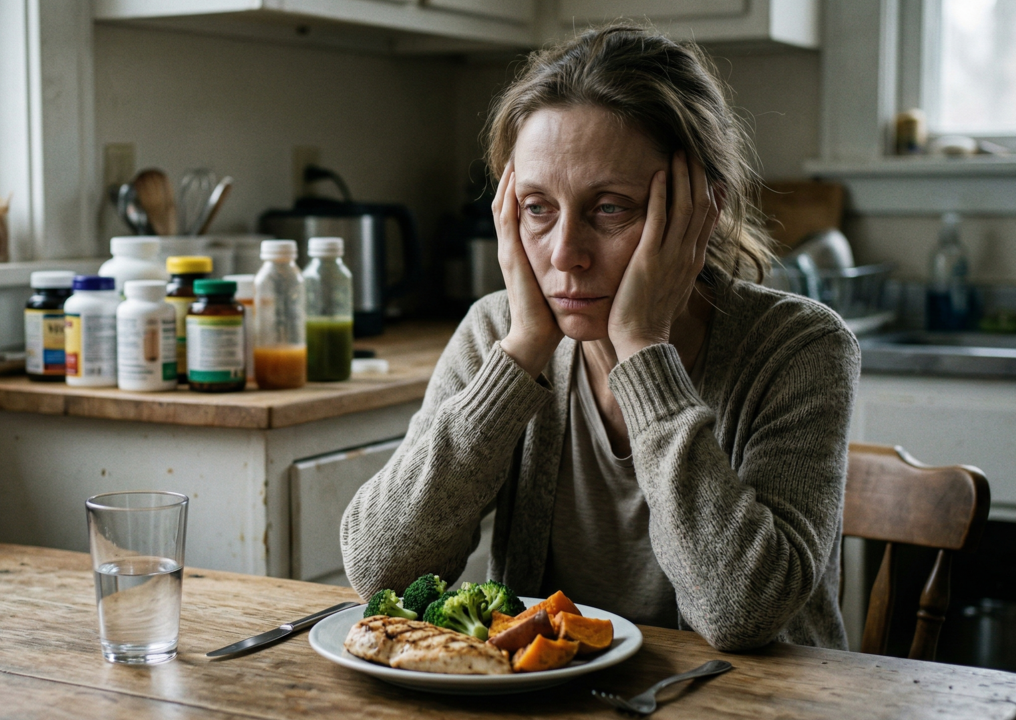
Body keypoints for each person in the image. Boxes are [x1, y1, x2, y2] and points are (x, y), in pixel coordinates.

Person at [339, 24, 860, 652]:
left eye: (610, 207)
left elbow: (740, 614)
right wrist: (523, 350)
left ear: (703, 209)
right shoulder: (496, 332)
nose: (565, 255)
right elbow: (379, 572)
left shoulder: (801, 347)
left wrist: (642, 348)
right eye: (537, 207)